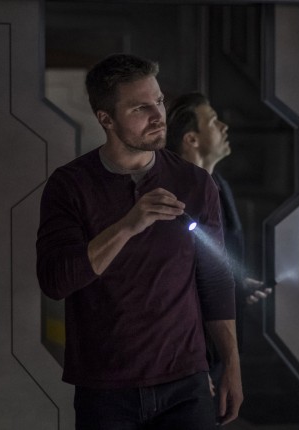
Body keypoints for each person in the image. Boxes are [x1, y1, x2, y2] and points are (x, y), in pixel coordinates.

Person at [36, 54, 243, 429]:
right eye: (140, 108)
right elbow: (55, 281)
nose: (158, 115)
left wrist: (231, 364)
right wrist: (128, 226)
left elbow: (214, 279)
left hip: (186, 381)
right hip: (106, 388)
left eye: (159, 101)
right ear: (106, 119)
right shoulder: (70, 185)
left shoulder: (195, 183)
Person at [165, 92, 273, 373]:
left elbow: (212, 264)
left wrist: (238, 285)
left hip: (216, 350)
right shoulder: (176, 195)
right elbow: (174, 283)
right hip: (191, 356)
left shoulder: (219, 186)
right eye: (213, 121)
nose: (224, 127)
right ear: (191, 139)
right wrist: (192, 363)